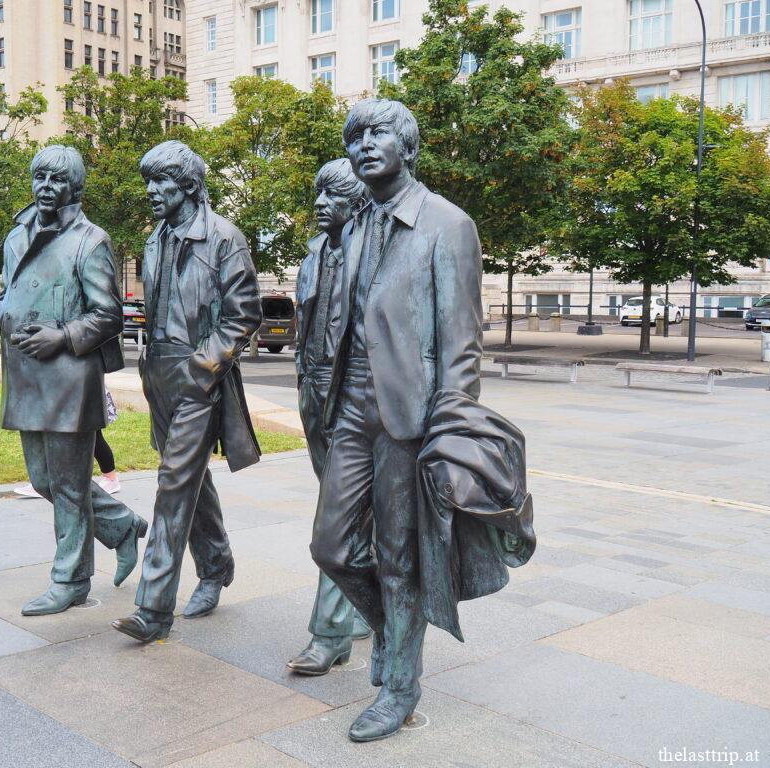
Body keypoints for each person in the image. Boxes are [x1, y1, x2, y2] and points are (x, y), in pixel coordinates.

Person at [309, 99, 485, 742]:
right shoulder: (356, 225)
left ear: (408, 147)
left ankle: (401, 686)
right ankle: (389, 626)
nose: (363, 145)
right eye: (354, 137)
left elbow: (462, 342)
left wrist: (452, 428)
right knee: (330, 545)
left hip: (410, 412)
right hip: (352, 406)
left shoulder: (447, 224)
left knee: (399, 555)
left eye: (378, 133)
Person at [112, 141, 261, 644]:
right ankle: (216, 564)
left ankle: (153, 609)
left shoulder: (224, 238)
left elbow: (243, 314)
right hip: (159, 375)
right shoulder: (155, 239)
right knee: (189, 477)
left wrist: (204, 367)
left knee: (173, 484)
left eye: (162, 182)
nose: (151, 191)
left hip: (200, 376)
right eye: (148, 182)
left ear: (190, 186)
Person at [0, 144, 148, 615]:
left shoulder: (91, 240)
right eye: (40, 177)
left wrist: (61, 336)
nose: (46, 187)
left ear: (74, 187)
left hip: (68, 376)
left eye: (58, 180)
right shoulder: (16, 236)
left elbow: (108, 315)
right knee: (45, 480)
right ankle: (122, 525)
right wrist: (4, 311)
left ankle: (71, 580)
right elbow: (8, 290)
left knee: (66, 486)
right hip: (25, 373)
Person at [286, 159, 371, 678]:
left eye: (332, 195)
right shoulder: (316, 252)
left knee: (335, 519)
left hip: (356, 395)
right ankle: (365, 604)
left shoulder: (377, 252)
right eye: (318, 193)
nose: (319, 203)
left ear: (358, 202)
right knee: (348, 510)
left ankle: (330, 633)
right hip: (314, 390)